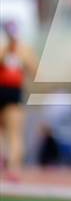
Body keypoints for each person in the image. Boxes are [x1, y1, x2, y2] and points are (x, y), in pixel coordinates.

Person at [0, 21, 38, 180]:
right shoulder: (19, 50)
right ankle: (12, 167)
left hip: (11, 92)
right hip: (11, 92)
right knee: (13, 133)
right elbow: (35, 71)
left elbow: (35, 71)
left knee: (13, 132)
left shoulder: (21, 50)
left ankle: (12, 166)